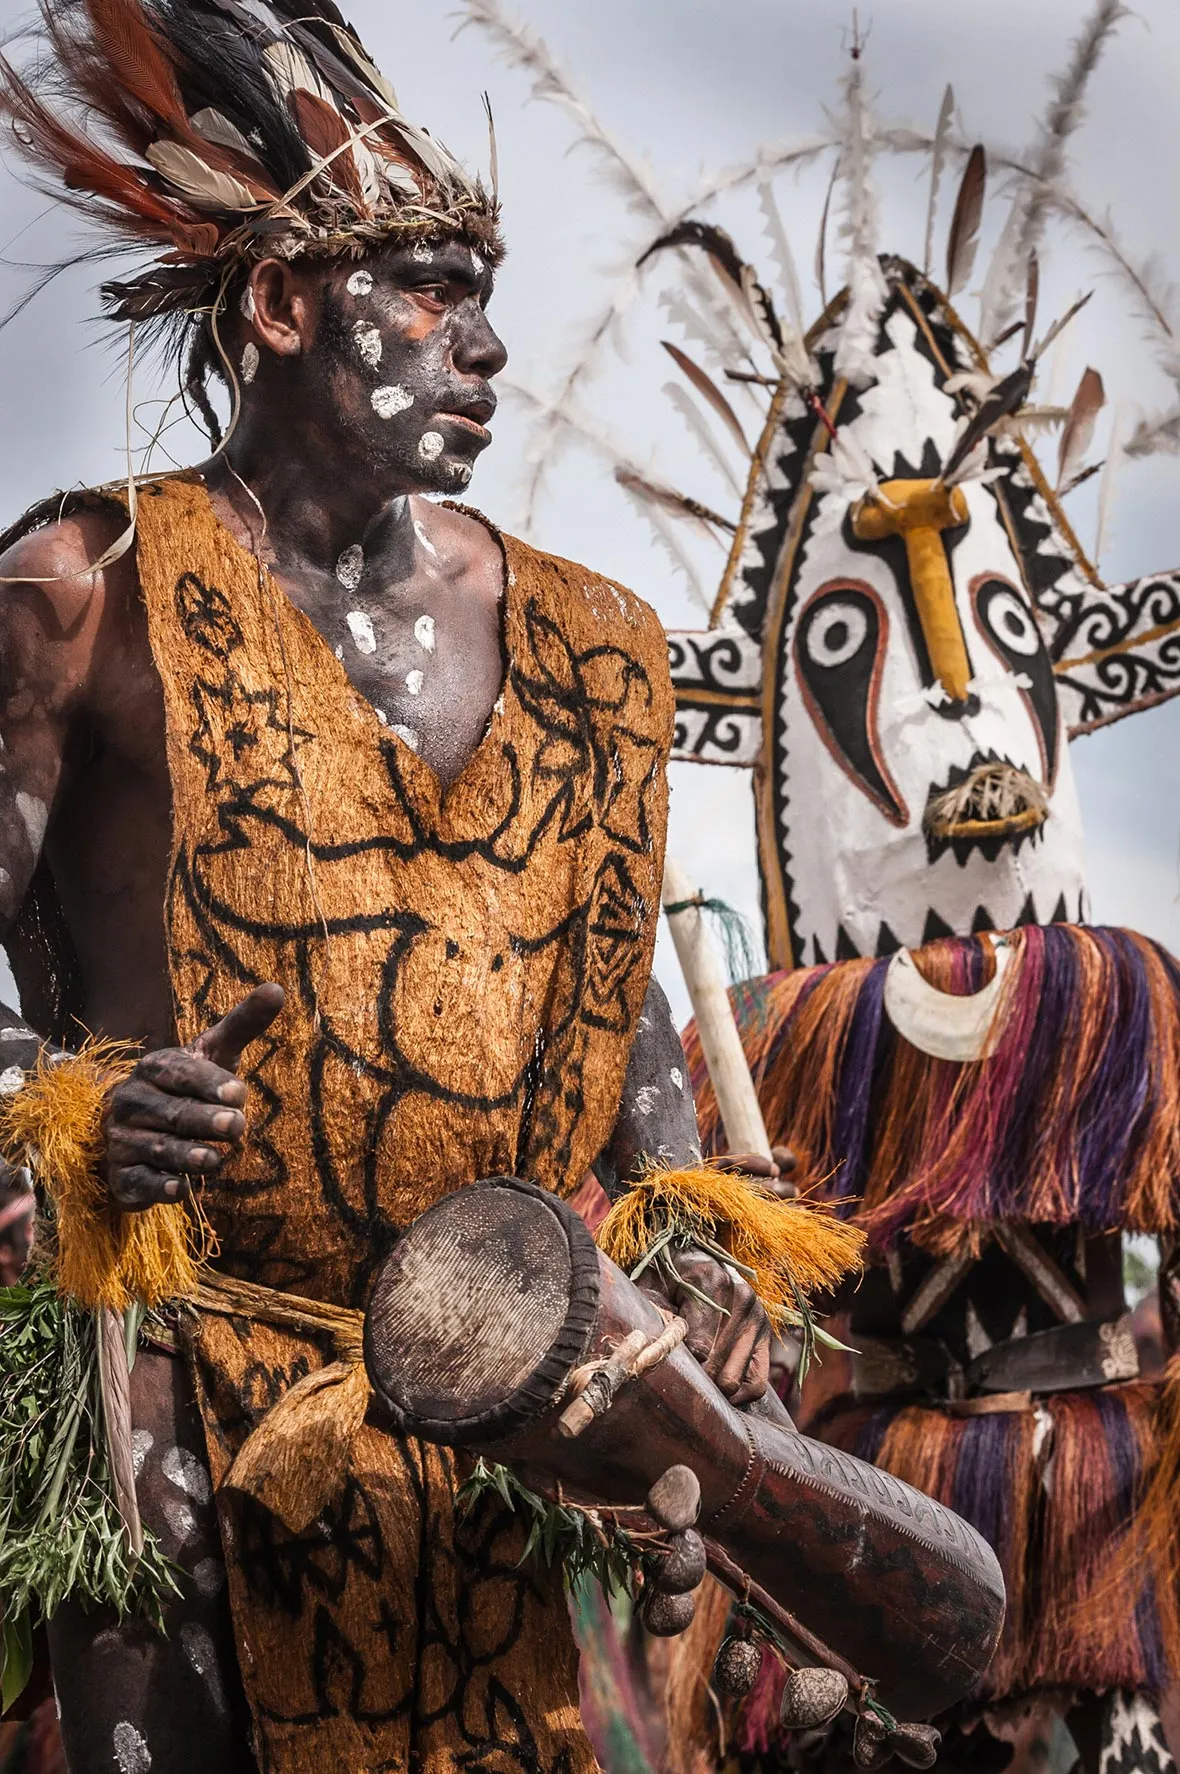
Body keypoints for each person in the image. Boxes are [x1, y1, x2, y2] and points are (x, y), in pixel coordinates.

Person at [0, 4, 830, 1770]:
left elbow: (629, 1064)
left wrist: (698, 1265)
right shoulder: (81, 596)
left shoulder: (602, 650)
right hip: (178, 1401)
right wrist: (70, 1120)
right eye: (429, 292)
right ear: (285, 307)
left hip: (521, 1421)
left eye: (484, 292)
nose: (488, 346)